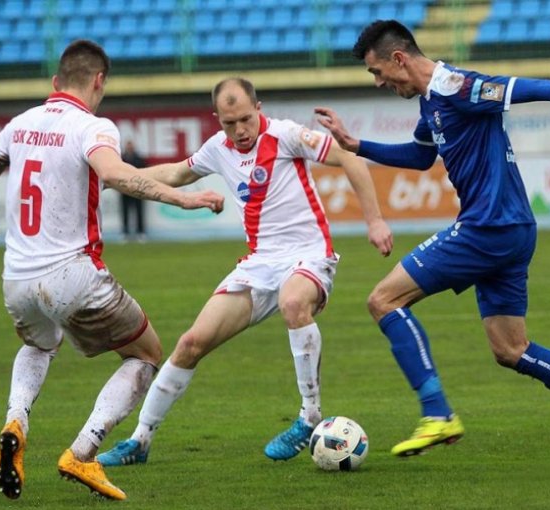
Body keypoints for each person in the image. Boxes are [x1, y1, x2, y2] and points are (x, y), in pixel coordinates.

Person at [315, 20, 550, 464]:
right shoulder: (430, 103)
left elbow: (530, 87)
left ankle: (437, 413)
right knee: (511, 349)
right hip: (511, 229)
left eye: (377, 72)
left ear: (398, 58)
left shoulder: (458, 86)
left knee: (383, 301)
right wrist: (355, 143)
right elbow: (421, 156)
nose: (379, 82)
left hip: (489, 227)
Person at [0, 39, 224, 501]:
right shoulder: (92, 126)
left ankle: (16, 421)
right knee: (145, 354)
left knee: (39, 345)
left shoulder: (18, 125)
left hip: (17, 278)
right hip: (73, 275)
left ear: (55, 82)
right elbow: (118, 174)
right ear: (99, 81)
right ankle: (83, 451)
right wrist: (186, 199)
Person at [96, 77, 393, 467]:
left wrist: (374, 220)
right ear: (217, 118)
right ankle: (140, 440)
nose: (239, 130)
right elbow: (173, 174)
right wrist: (115, 176)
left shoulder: (286, 135)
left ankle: (309, 417)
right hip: (260, 264)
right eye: (229, 122)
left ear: (259, 108)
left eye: (245, 119)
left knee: (292, 303)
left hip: (307, 255)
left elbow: (349, 157)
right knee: (190, 343)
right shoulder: (218, 149)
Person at [120, 140, 148, 242]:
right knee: (125, 212)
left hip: (138, 189)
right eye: (128, 146)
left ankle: (141, 232)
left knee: (139, 211)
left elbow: (144, 173)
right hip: (125, 189)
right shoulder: (121, 159)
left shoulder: (139, 159)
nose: (130, 147)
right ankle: (125, 232)